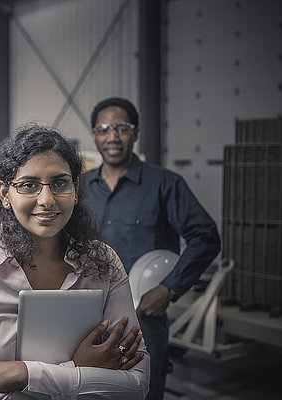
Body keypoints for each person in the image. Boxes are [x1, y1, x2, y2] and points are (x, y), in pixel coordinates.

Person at [0, 125, 150, 399]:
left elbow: (137, 384)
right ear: (4, 195)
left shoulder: (103, 262)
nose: (47, 200)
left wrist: (21, 374)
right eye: (29, 185)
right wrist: (80, 372)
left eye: (60, 183)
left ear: (75, 189)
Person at [83, 97, 221, 400]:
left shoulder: (165, 184)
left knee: (143, 392)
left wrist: (169, 289)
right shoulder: (79, 188)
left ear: (136, 133)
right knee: (89, 391)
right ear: (94, 134)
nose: (112, 137)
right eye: (104, 129)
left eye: (121, 128)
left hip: (141, 318)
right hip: (86, 316)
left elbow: (206, 236)